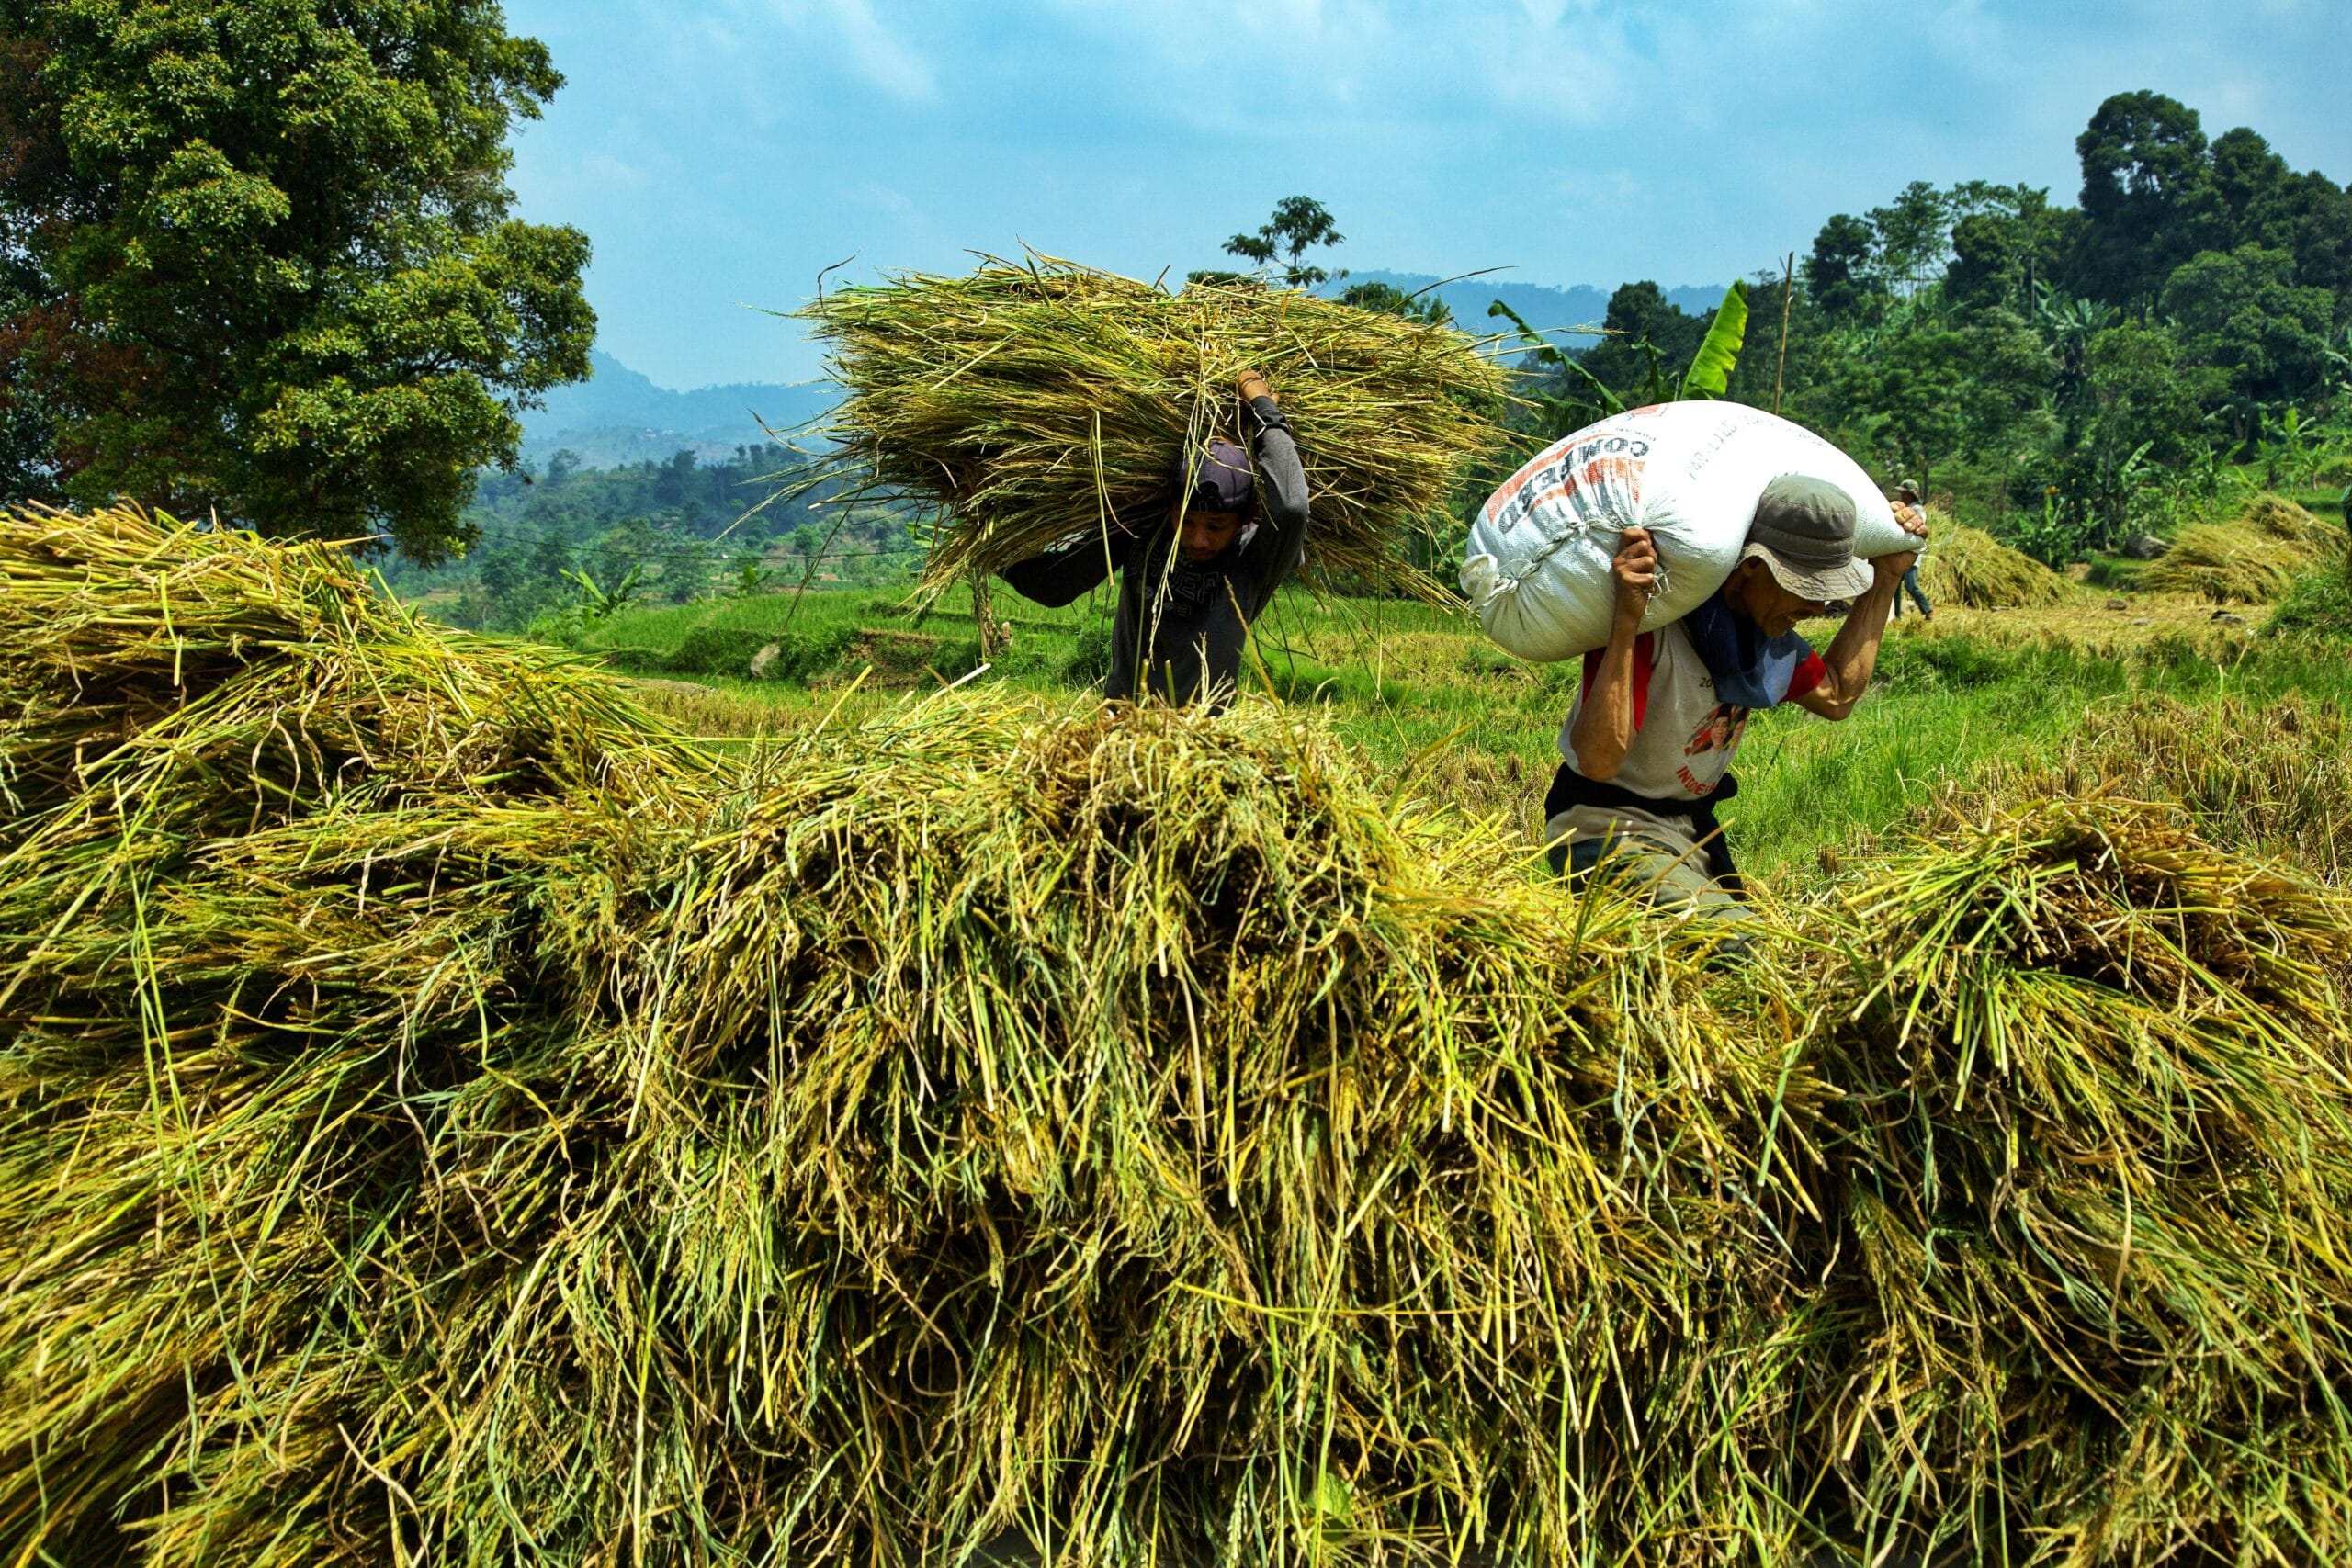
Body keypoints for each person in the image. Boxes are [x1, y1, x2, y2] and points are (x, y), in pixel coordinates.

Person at [1541, 475, 1920, 925]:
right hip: (1603, 826)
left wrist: (1887, 579)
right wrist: (1625, 619)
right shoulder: (1655, 627)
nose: (1818, 608)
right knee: (1738, 952)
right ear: (1751, 568)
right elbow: (1599, 761)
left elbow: (1836, 696)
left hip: (1687, 831)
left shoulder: (1764, 639)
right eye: (1804, 586)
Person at [998, 369, 1309, 705]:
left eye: (1216, 526)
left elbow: (1291, 507)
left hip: (1204, 737)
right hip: (1123, 727)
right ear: (1169, 506)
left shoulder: (1256, 556)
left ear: (1244, 518)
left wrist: (1265, 411)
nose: (1198, 539)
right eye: (1186, 521)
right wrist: (992, 533)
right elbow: (1052, 586)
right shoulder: (1140, 530)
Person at [1888, 480, 1934, 620]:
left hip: (1912, 555)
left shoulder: (1917, 509)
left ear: (1910, 494)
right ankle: (1897, 615)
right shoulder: (1905, 507)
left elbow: (1918, 527)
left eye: (1904, 493)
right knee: (1894, 585)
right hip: (1902, 552)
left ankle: (1927, 609)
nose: (1902, 495)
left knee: (1910, 585)